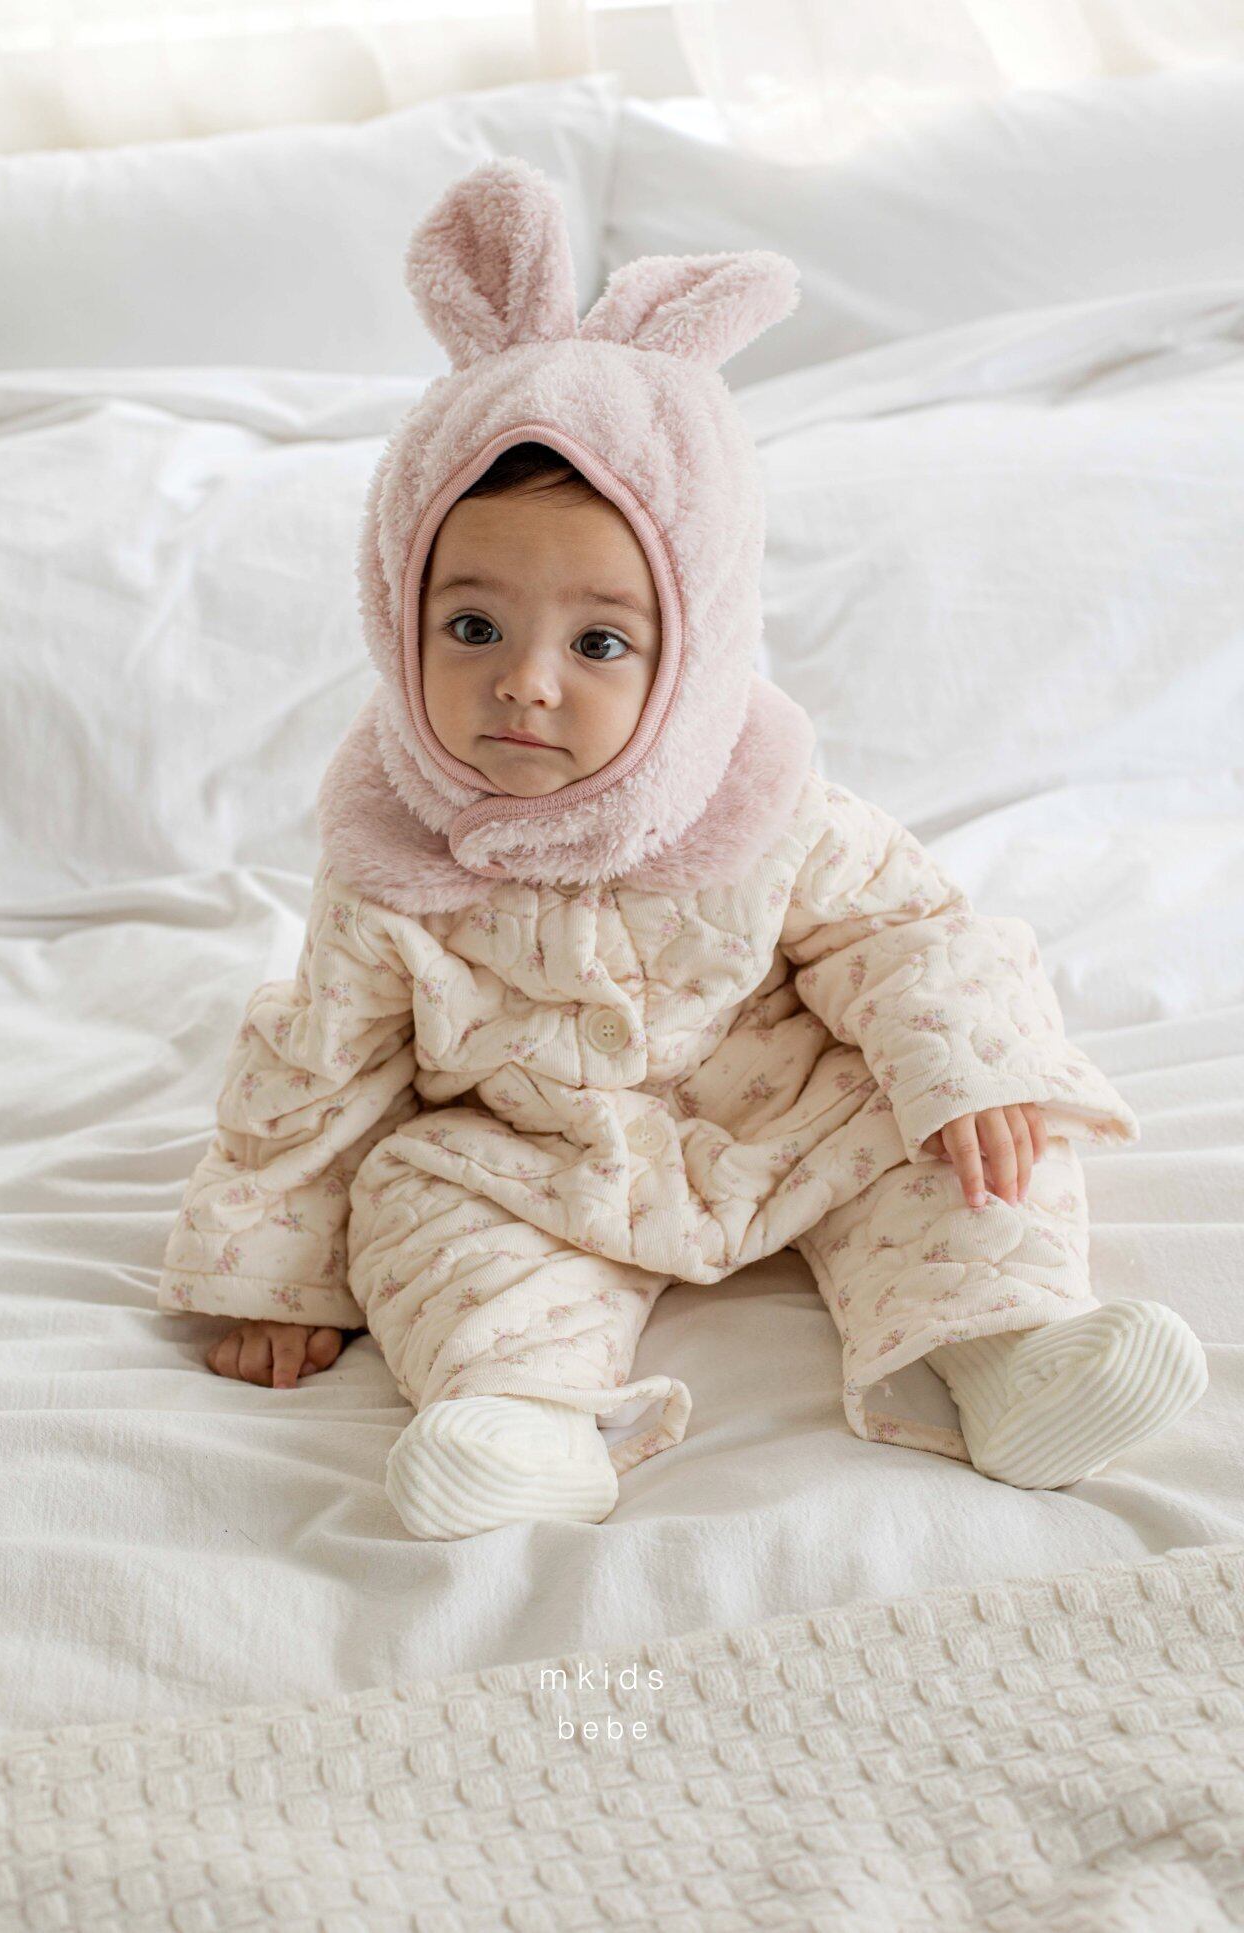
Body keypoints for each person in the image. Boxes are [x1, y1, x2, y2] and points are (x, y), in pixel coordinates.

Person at [160, 157, 1207, 1540]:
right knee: (421, 1214)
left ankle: (1009, 1355)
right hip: (535, 1158)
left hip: (788, 1114)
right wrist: (275, 1268)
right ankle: (524, 1420)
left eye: (599, 641)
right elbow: (325, 1067)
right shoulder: (391, 853)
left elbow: (908, 928)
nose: (525, 682)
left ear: (697, 646)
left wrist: (967, 1069)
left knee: (972, 1144)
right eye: (471, 626)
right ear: (394, 612)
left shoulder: (761, 801)